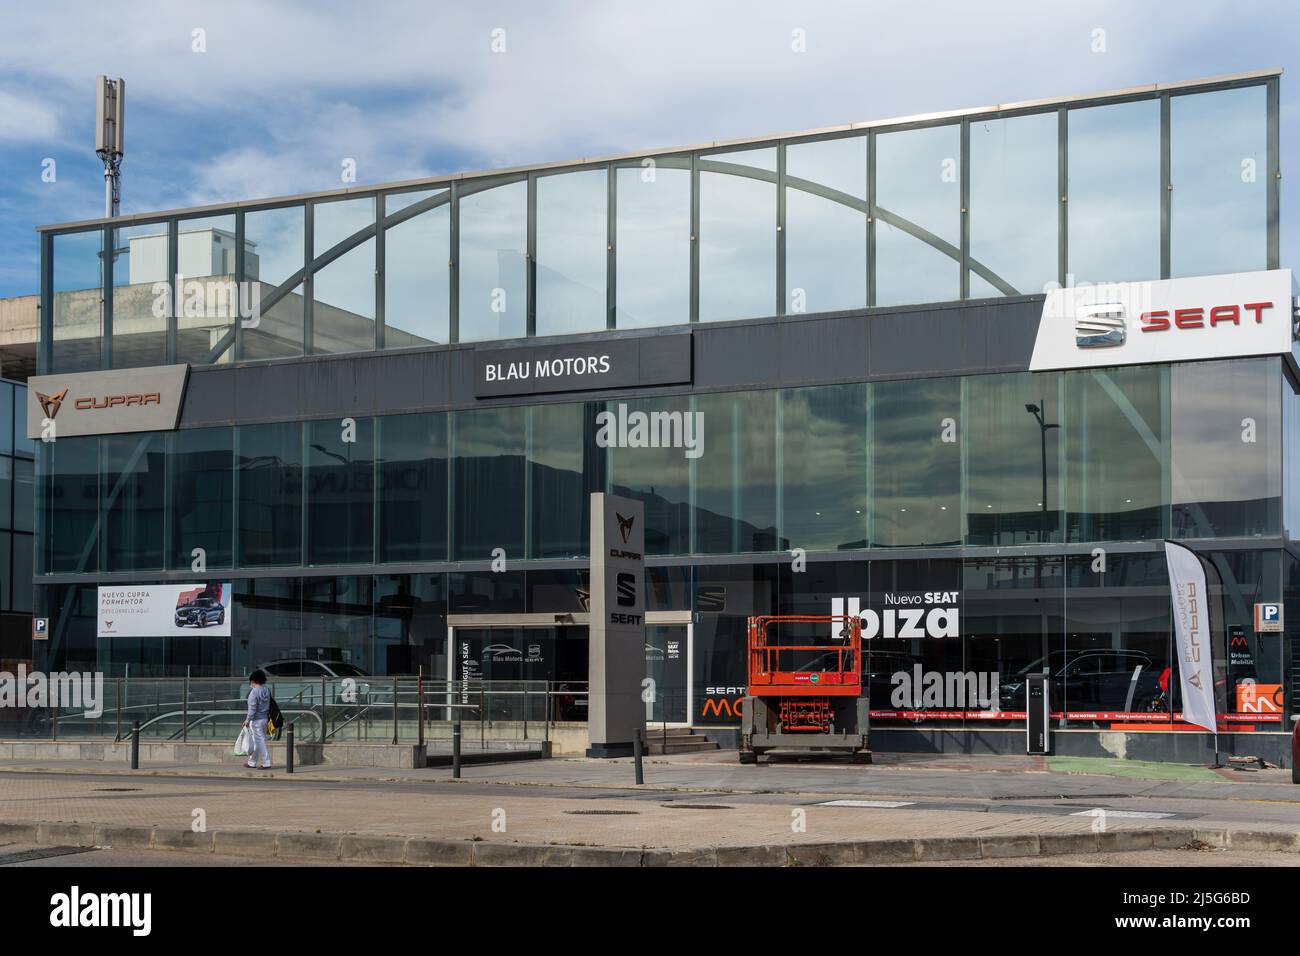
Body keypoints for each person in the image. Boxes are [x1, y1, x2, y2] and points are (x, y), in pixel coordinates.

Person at [243, 670, 272, 770]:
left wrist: (247, 720)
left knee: (260, 742)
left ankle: (266, 762)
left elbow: (252, 709)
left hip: (256, 721)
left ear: (253, 680)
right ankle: (252, 762)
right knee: (257, 741)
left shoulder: (253, 693)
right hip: (265, 719)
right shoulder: (267, 690)